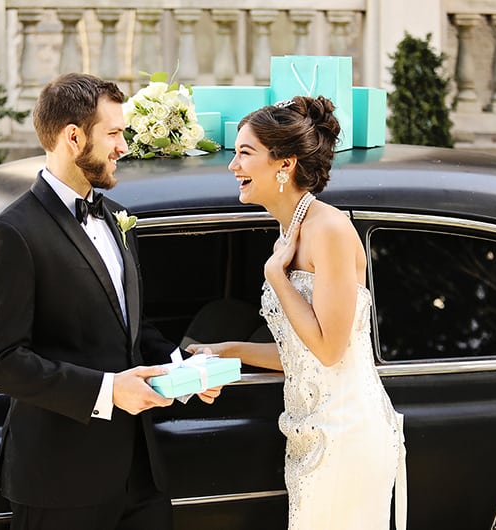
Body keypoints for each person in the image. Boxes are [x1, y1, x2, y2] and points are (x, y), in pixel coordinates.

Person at [0, 72, 220, 530]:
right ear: (73, 137)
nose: (123, 147)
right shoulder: (10, 234)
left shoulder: (116, 216)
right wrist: (108, 391)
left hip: (141, 475)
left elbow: (130, 327)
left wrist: (181, 370)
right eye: (114, 134)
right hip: (60, 481)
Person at [187, 95, 406, 530]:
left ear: (283, 165)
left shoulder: (328, 230)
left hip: (346, 434)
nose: (233, 166)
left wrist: (277, 276)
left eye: (244, 153)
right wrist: (226, 350)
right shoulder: (289, 232)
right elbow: (299, 353)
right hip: (309, 432)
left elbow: (329, 349)